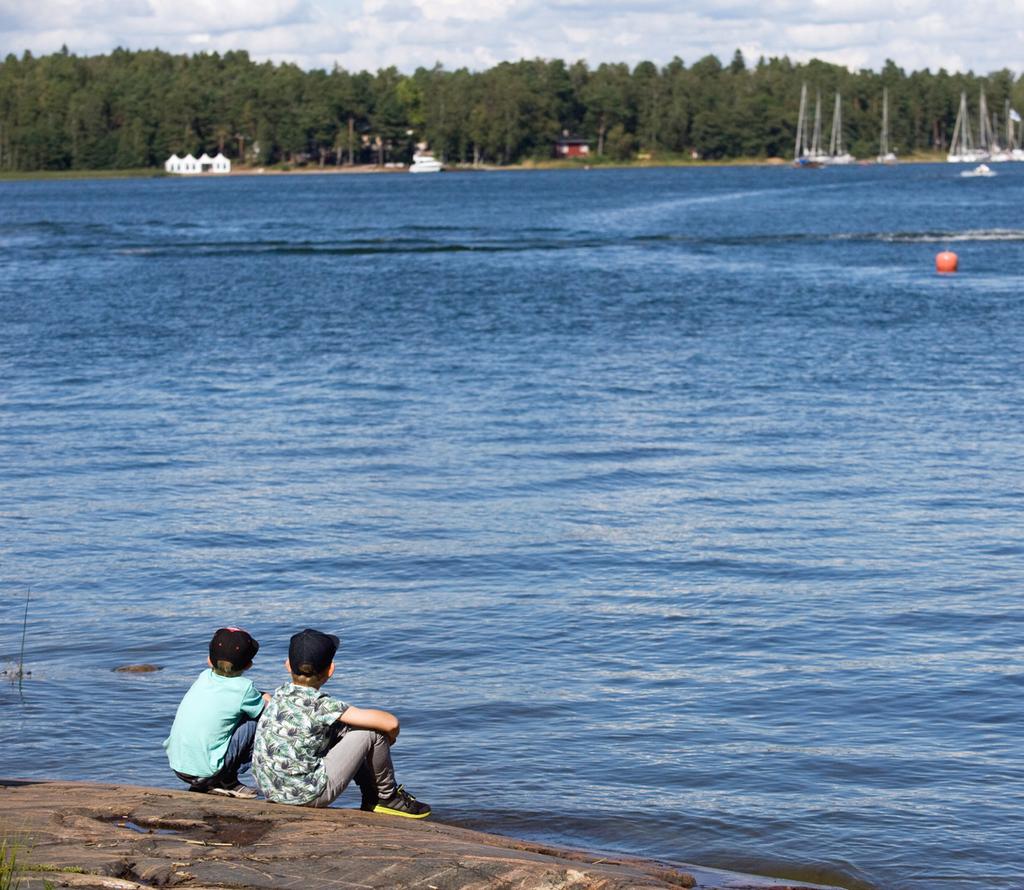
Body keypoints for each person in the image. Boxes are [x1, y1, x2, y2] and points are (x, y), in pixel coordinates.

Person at [252, 628, 430, 817]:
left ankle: (372, 794)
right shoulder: (322, 705)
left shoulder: (279, 694)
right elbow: (391, 723)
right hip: (306, 795)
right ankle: (386, 797)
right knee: (372, 733)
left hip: (271, 789)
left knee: (341, 730)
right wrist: (388, 740)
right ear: (331, 670)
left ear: (287, 665)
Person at [164, 627, 269, 799]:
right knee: (258, 722)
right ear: (249, 664)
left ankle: (211, 782)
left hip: (179, 766)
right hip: (206, 771)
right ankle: (225, 780)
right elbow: (266, 711)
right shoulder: (245, 688)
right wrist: (267, 698)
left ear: (209, 661)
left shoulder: (203, 677)